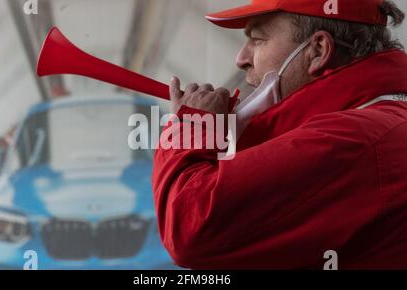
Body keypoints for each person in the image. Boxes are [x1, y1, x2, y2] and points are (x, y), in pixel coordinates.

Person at [152, 0, 407, 269]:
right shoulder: (381, 121)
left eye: (258, 40)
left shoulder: (351, 139)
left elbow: (190, 227)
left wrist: (195, 125)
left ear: (318, 50)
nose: (241, 59)